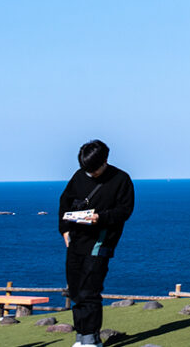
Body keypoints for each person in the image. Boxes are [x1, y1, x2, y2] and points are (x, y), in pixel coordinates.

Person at [58, 140, 135, 347]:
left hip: (101, 241)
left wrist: (100, 218)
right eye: (87, 169)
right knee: (75, 290)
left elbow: (124, 211)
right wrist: (64, 229)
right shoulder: (79, 176)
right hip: (75, 240)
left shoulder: (121, 179)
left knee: (90, 290)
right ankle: (80, 336)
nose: (91, 173)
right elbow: (64, 201)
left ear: (105, 161)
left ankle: (92, 338)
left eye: (94, 169)